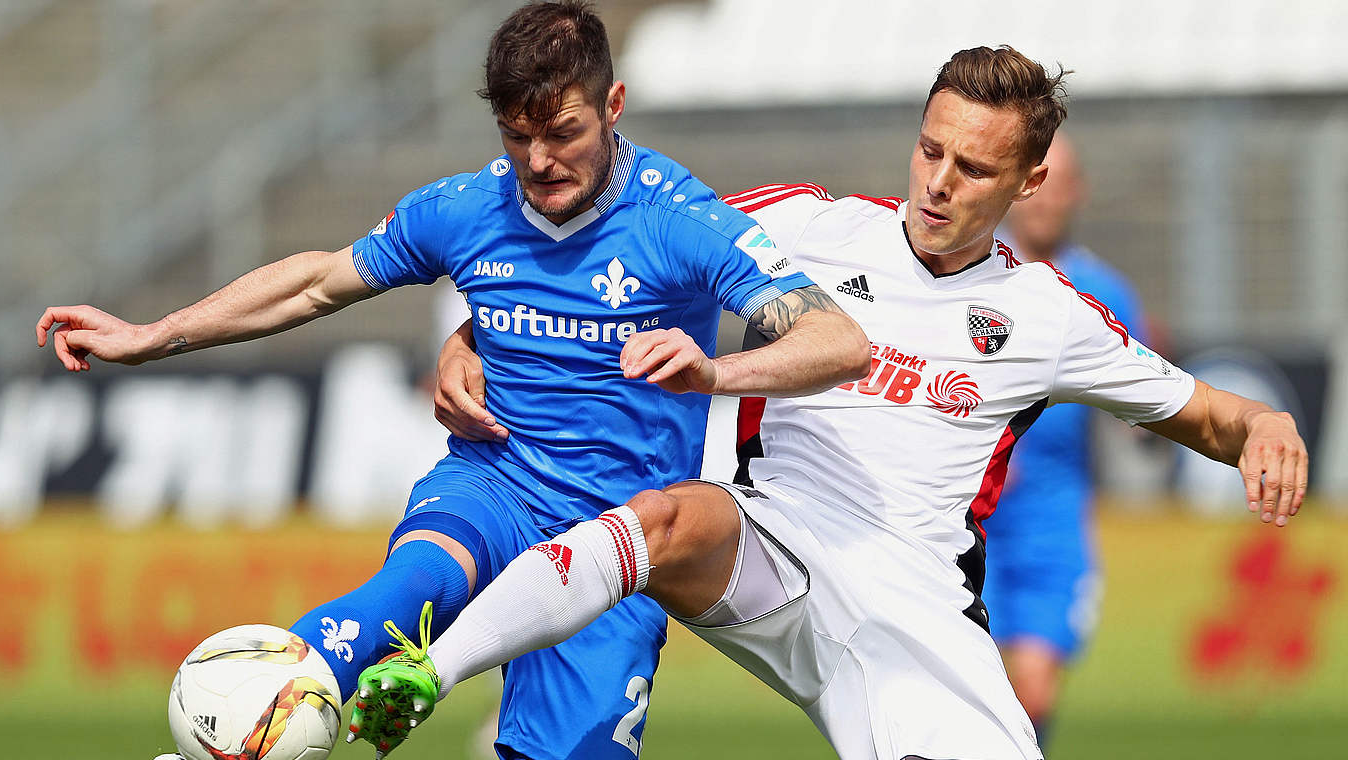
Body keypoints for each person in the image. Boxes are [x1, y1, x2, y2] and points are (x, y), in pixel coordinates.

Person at [354, 45, 1310, 760]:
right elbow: (618, 258)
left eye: (973, 169)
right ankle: (427, 673)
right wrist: (474, 332)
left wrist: (1265, 425)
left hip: (915, 617)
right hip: (774, 543)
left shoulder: (1052, 316)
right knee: (659, 521)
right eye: (930, 150)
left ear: (1028, 181)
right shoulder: (804, 224)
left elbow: (1210, 416)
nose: (938, 184)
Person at [33, 3, 869, 759]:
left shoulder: (680, 220)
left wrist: (717, 371)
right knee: (397, 601)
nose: (538, 161)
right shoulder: (467, 207)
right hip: (492, 487)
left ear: (612, 107)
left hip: (619, 548)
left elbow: (837, 340)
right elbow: (319, 281)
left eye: (562, 132)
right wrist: (154, 334)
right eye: (515, 135)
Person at [979, 131, 1146, 748]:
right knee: (979, 688)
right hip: (972, 518)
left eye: (1059, 184)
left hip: (1053, 516)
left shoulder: (1110, 292)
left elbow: (1147, 402)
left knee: (1034, 692)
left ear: (1077, 193)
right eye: (1036, 183)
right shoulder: (977, 280)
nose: (1045, 200)